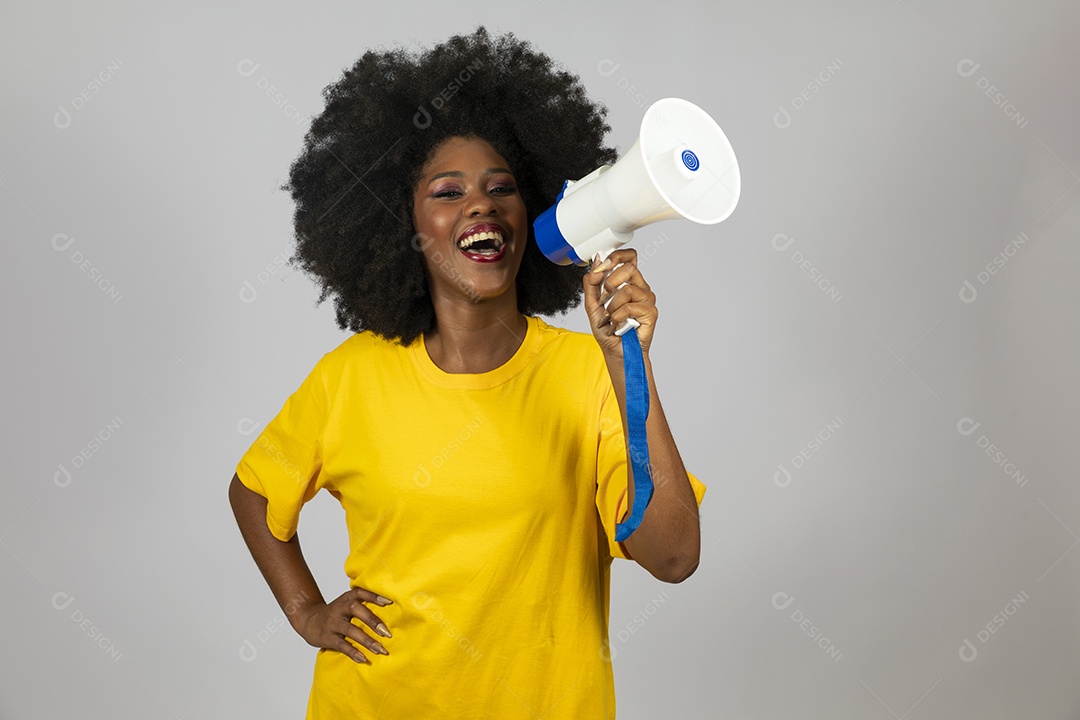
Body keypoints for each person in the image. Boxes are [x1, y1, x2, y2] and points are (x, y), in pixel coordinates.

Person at [228, 26, 706, 719]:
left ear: (530, 211)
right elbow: (252, 491)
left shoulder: (588, 373)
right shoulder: (350, 377)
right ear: (404, 224)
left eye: (502, 188)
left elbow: (674, 557)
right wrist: (306, 610)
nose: (481, 204)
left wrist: (628, 362)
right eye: (448, 192)